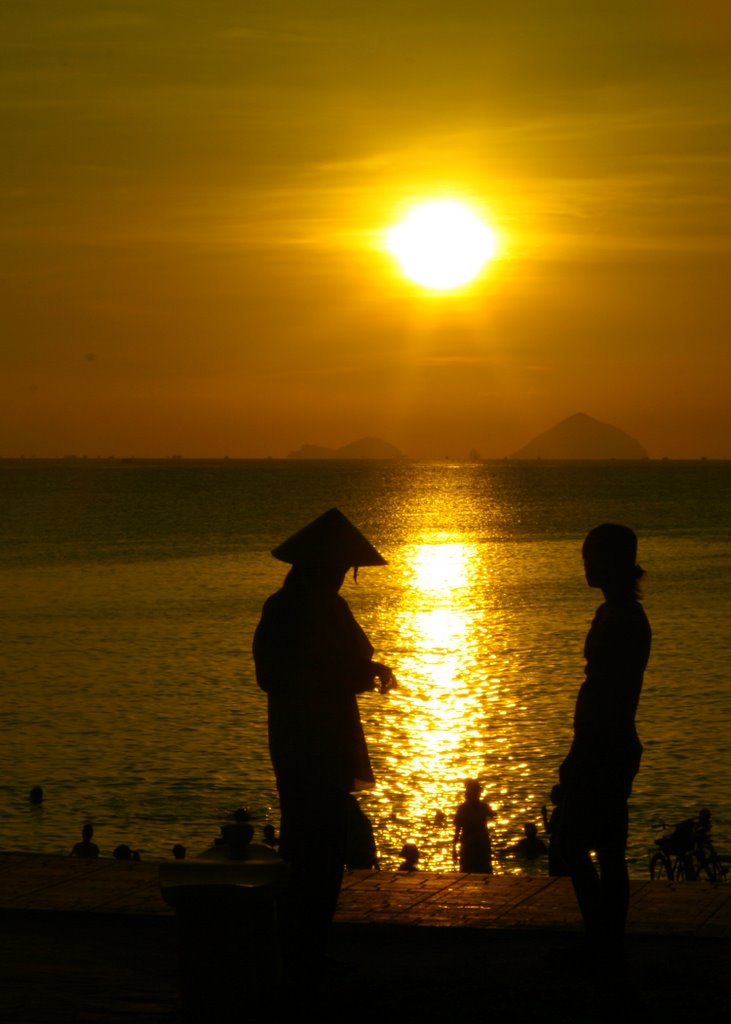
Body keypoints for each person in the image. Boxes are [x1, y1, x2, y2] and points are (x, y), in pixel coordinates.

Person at [253, 507, 395, 981]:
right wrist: (351, 675)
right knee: (310, 844)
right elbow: (274, 675)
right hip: (307, 738)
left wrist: (366, 672)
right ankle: (298, 949)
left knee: (320, 844)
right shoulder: (292, 607)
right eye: (338, 570)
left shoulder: (308, 606)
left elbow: (350, 662)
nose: (341, 578)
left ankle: (305, 947)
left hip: (316, 736)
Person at [558, 523, 651, 975]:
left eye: (592, 557)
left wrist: (579, 755)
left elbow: (606, 692)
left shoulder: (621, 619)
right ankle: (605, 941)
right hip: (608, 739)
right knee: (605, 846)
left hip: (603, 741)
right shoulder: (619, 615)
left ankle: (603, 941)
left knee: (578, 843)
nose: (586, 565)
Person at [452, 779, 495, 873]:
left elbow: (493, 814)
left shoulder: (482, 807)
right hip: (470, 845)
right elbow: (457, 830)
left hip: (480, 844)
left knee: (483, 870)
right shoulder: (463, 808)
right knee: (468, 870)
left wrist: (454, 849)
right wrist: (454, 849)